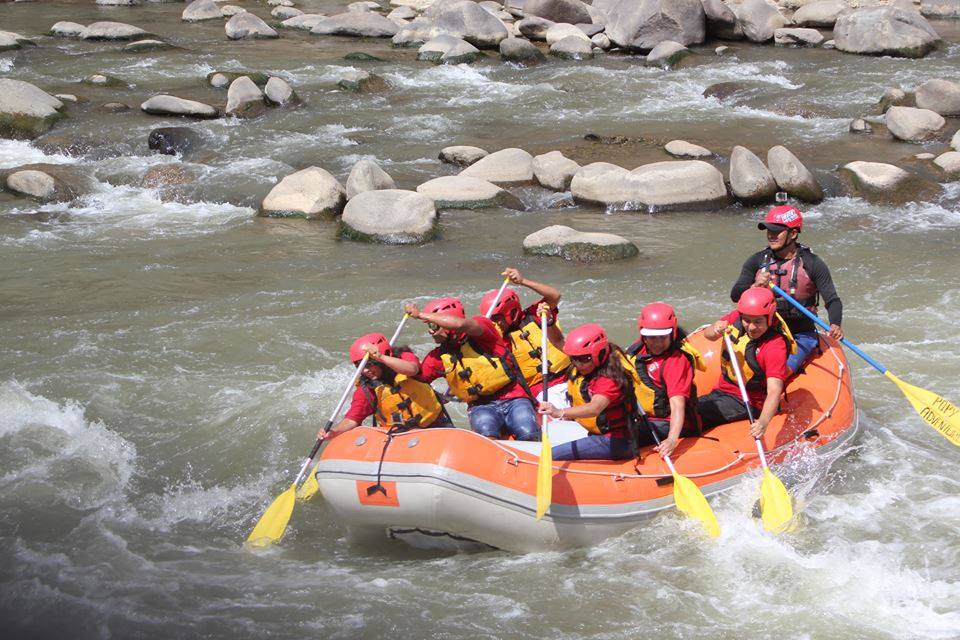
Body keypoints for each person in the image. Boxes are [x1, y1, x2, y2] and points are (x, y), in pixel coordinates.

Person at [730, 200, 843, 375]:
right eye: (769, 230)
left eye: (777, 231)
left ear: (793, 234)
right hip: (762, 331)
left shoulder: (812, 263)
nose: (771, 235)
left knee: (780, 373)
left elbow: (833, 300)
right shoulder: (757, 261)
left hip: (800, 333)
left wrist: (835, 324)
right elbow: (736, 294)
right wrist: (755, 285)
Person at [404, 297, 540, 441]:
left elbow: (461, 324)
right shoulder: (437, 357)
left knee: (527, 431)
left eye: (434, 326)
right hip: (481, 406)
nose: (431, 332)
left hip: (514, 397)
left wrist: (420, 315)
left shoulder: (481, 330)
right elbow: (417, 378)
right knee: (486, 433)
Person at [697, 288, 795, 438]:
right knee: (688, 407)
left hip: (749, 401)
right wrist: (716, 329)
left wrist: (762, 422)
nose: (751, 327)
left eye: (758, 322)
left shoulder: (775, 346)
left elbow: (774, 390)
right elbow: (708, 335)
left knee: (695, 414)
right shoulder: (736, 317)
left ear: (769, 317)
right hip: (722, 391)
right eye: (747, 321)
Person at [319, 333, 452, 441]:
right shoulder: (367, 389)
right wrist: (333, 432)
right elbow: (352, 420)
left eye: (369, 364)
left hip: (436, 425)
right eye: (360, 366)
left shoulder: (404, 357)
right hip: (400, 438)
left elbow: (412, 369)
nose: (365, 370)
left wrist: (380, 357)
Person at [538, 324, 636, 460]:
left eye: (583, 359)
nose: (578, 364)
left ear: (599, 354)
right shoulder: (583, 359)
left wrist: (560, 412)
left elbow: (595, 408)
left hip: (616, 442)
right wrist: (549, 321)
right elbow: (558, 341)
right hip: (596, 434)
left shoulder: (610, 378)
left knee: (550, 455)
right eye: (573, 358)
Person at [478, 267, 570, 408]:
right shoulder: (497, 338)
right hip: (541, 390)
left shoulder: (534, 315)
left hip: (570, 377)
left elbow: (554, 296)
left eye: (497, 318)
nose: (494, 323)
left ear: (511, 311)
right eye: (491, 320)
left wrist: (523, 281)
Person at [625, 302, 704, 459]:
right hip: (645, 418)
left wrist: (672, 439)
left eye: (663, 337)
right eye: (652, 338)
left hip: (668, 422)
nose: (658, 343)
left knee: (623, 439)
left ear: (672, 334)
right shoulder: (638, 350)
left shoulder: (676, 361)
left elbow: (677, 405)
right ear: (643, 335)